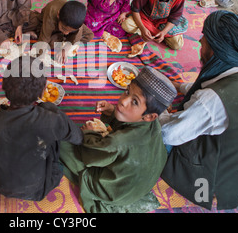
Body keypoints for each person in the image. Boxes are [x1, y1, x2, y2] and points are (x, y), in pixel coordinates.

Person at [160, 10, 238, 210]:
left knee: (149, 137)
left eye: (203, 40)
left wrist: (158, 106)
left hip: (215, 181)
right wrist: (181, 86)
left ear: (214, 51)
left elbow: (167, 134)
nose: (199, 44)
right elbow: (222, 89)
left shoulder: (210, 101)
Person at [59, 66, 177, 213]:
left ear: (149, 116)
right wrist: (112, 112)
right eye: (127, 91)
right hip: (138, 184)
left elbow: (91, 156)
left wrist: (90, 134)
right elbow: (130, 127)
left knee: (62, 141)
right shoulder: (153, 124)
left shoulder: (119, 142)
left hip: (114, 192)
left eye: (134, 102)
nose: (123, 101)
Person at [0, 56, 83, 201]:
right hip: (38, 189)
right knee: (50, 113)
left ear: (3, 86)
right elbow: (78, 137)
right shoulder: (52, 120)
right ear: (42, 93)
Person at [29, 0, 94, 64]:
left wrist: (65, 49)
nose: (66, 33)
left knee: (90, 35)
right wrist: (40, 57)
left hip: (66, 26)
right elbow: (44, 38)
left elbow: (77, 34)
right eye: (64, 29)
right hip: (46, 22)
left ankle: (63, 38)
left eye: (70, 31)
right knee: (29, 21)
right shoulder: (52, 12)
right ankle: (38, 31)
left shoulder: (76, 23)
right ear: (58, 15)